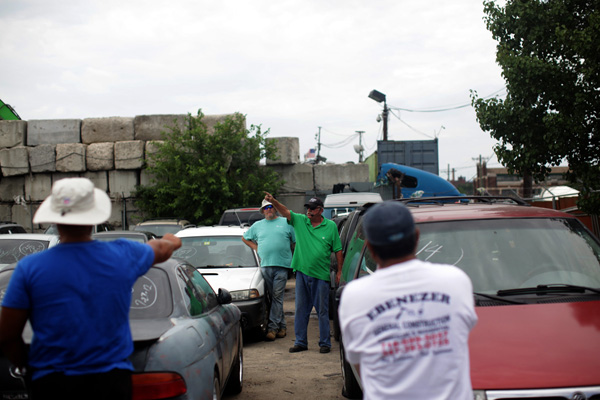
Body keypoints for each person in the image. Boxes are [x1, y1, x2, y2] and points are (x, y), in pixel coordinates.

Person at [0, 178, 182, 400]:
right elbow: (162, 248)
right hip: (110, 382)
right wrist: (173, 240)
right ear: (92, 220)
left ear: (55, 221)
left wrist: (28, 368)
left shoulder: (29, 268)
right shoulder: (123, 255)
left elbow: (8, 335)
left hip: (52, 382)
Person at [338, 201, 477, 399]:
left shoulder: (353, 296)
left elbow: (361, 367)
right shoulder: (456, 281)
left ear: (370, 247)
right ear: (417, 237)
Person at [264, 192, 343, 354]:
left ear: (320, 210)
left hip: (320, 276)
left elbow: (338, 250)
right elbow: (286, 212)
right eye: (308, 208)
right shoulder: (300, 221)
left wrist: (340, 270)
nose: (309, 211)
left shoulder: (331, 226)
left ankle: (325, 343)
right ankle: (301, 342)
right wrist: (274, 201)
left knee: (322, 311)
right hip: (301, 274)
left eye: (313, 209)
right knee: (301, 309)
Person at [242, 199, 295, 341]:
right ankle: (282, 327)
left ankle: (272, 329)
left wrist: (295, 260)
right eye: (266, 208)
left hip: (282, 266)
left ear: (275, 209)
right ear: (262, 211)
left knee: (277, 297)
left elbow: (295, 241)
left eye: (271, 207)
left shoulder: (286, 223)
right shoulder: (257, 225)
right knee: (273, 298)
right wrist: (256, 248)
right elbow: (245, 238)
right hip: (265, 266)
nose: (269, 209)